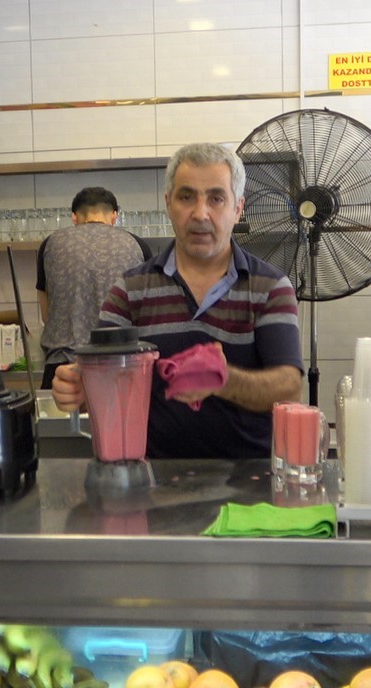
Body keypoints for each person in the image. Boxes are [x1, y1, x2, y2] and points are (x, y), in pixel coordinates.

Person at [52, 143, 303, 459]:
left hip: (249, 484)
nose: (200, 214)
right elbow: (104, 380)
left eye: (216, 198)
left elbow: (289, 387)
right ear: (169, 203)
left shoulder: (270, 287)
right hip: (154, 482)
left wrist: (223, 379)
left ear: (238, 208)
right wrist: (79, 387)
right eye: (187, 197)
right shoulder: (131, 289)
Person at [36, 187, 153, 388]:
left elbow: (46, 314)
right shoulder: (137, 245)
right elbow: (148, 314)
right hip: (120, 368)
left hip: (62, 369)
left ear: (74, 217)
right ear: (115, 216)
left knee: (61, 421)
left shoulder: (51, 244)